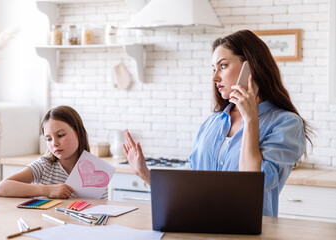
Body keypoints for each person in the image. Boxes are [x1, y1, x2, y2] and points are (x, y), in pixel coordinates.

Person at [123, 29, 312, 217]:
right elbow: (192, 187)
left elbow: (253, 182)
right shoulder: (212, 123)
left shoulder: (286, 124)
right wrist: (144, 173)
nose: (214, 78)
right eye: (214, 69)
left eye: (223, 66)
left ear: (251, 68)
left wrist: (251, 120)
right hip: (199, 228)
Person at [0, 105, 107, 200]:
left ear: (79, 132)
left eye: (60, 135)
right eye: (48, 139)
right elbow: (1, 188)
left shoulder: (97, 171)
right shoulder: (44, 166)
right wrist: (48, 190)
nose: (54, 143)